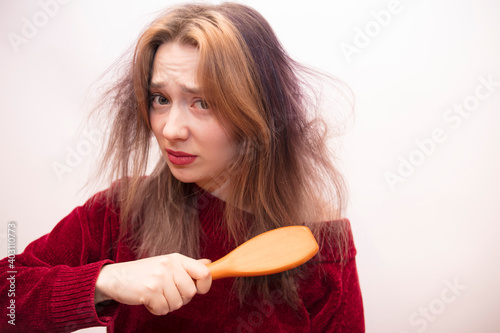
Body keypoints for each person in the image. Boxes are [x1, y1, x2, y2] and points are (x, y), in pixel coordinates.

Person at [0, 2, 364, 332]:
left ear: (256, 112)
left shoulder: (321, 247)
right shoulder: (122, 211)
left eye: (202, 102)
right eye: (160, 99)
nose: (170, 130)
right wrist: (105, 281)